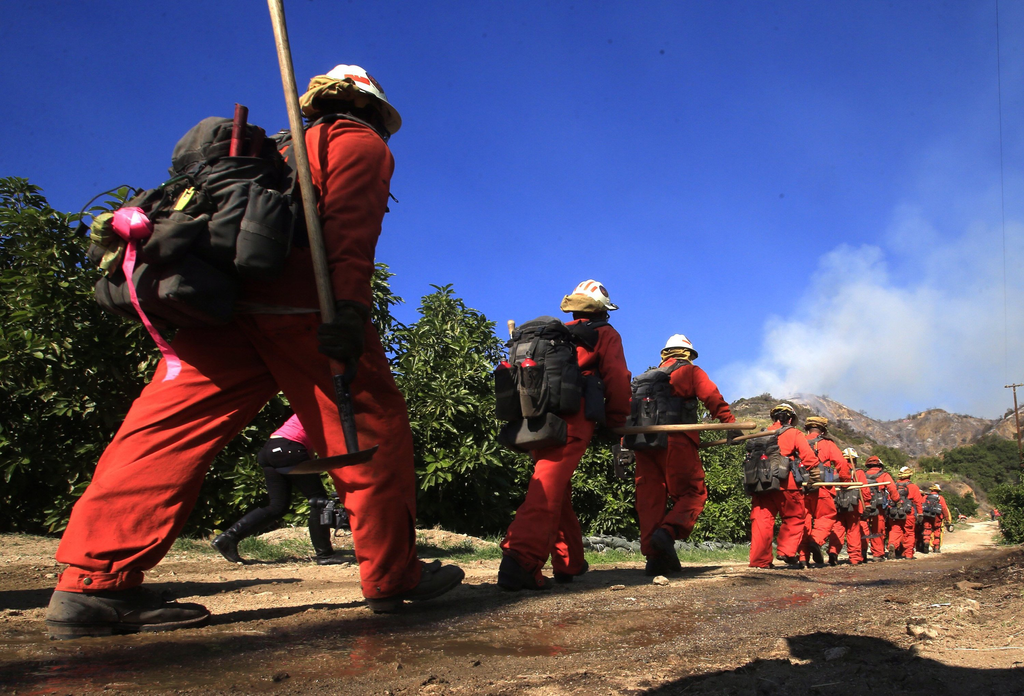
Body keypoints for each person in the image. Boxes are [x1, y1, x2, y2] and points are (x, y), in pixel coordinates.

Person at [45, 65, 463, 639]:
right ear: (373, 110)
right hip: (301, 308)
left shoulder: (275, 150)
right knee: (370, 428)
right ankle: (393, 575)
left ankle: (92, 584)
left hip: (218, 305)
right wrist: (348, 311)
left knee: (163, 431)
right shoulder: (354, 141)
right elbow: (348, 231)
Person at [498, 280, 630, 590]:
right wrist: (616, 421)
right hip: (572, 420)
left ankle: (568, 561)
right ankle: (520, 559)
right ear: (602, 310)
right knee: (547, 485)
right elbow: (618, 380)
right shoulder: (605, 334)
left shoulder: (557, 335)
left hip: (537, 417)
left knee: (558, 488)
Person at [632, 334, 737, 576]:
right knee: (693, 492)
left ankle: (655, 558)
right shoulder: (690, 372)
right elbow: (711, 396)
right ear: (688, 354)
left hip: (643, 444)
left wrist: (624, 445)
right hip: (677, 440)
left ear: (665, 355)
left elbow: (631, 413)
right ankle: (668, 532)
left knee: (650, 500)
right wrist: (730, 423)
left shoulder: (643, 381)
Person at [211, 414, 348, 565]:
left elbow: (309, 448)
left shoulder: (312, 407)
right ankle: (325, 555)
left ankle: (228, 538)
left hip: (271, 450)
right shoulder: (331, 410)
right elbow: (331, 448)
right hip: (290, 449)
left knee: (278, 506)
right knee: (319, 501)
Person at [748, 403, 818, 569]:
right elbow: (807, 456)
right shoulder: (794, 433)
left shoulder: (760, 434)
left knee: (761, 521)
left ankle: (760, 561)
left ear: (774, 418)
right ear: (791, 418)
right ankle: (786, 551)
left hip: (761, 484)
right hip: (786, 484)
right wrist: (814, 473)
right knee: (795, 517)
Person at [799, 417, 840, 566]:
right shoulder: (827, 444)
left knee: (804, 522)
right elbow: (840, 462)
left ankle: (803, 558)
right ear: (823, 430)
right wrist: (846, 479)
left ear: (807, 428)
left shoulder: (799, 442)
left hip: (803, 488)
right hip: (823, 488)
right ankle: (816, 541)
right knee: (827, 516)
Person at [827, 447, 865, 566]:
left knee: (837, 528)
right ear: (854, 460)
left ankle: (833, 552)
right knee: (853, 530)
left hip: (837, 504)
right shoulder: (857, 472)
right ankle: (854, 557)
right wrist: (866, 505)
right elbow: (865, 491)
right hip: (853, 506)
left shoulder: (833, 472)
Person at [857, 455, 898, 562]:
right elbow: (892, 488)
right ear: (880, 465)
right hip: (878, 507)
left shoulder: (862, 475)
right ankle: (878, 554)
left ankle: (862, 552)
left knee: (863, 528)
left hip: (864, 505)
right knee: (878, 529)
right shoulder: (884, 475)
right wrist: (896, 500)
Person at [887, 466, 924, 559]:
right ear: (910, 476)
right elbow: (918, 502)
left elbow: (888, 499)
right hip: (908, 513)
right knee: (909, 532)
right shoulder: (913, 487)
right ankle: (908, 554)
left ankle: (892, 544)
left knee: (895, 530)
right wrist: (920, 514)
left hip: (894, 512)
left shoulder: (893, 486)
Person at [919, 484, 952, 553]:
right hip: (937, 516)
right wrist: (947, 518)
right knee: (937, 531)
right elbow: (944, 508)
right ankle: (936, 547)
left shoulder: (925, 497)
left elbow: (921, 505)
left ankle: (926, 542)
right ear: (938, 491)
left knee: (927, 529)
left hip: (927, 515)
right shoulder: (940, 498)